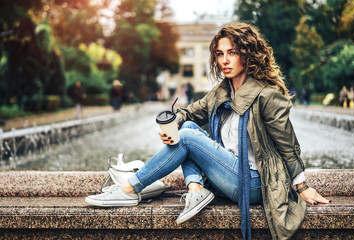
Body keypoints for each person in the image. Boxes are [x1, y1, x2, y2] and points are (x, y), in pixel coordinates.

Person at [85, 22, 330, 240]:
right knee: (188, 128)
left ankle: (130, 188)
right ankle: (195, 190)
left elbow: (288, 145)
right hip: (232, 170)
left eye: (232, 53)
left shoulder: (267, 94)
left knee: (189, 138)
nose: (224, 60)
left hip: (255, 182)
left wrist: (301, 186)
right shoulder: (222, 91)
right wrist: (174, 122)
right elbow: (191, 113)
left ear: (247, 55)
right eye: (220, 54)